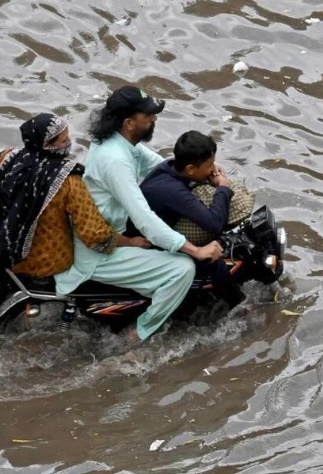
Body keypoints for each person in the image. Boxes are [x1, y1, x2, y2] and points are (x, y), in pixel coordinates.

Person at [54, 85, 224, 341]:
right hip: (98, 253)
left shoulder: (118, 141)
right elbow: (144, 218)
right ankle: (139, 332)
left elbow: (159, 165)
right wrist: (195, 250)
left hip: (114, 231)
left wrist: (203, 171)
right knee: (182, 269)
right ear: (130, 122)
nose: (154, 119)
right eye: (149, 116)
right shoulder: (115, 160)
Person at [0, 113, 141, 281]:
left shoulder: (8, 160)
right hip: (47, 263)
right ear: (46, 144)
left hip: (4, 256)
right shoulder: (66, 179)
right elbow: (94, 234)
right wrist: (130, 242)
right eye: (64, 140)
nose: (69, 144)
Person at [133, 130, 253, 310]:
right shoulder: (172, 191)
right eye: (209, 165)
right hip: (148, 245)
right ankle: (240, 310)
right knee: (213, 261)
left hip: (155, 229)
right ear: (190, 169)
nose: (213, 169)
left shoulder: (169, 167)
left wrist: (211, 168)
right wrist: (223, 188)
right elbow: (214, 223)